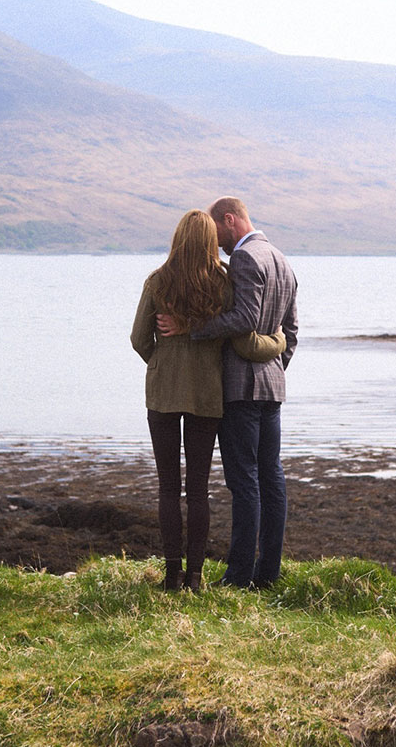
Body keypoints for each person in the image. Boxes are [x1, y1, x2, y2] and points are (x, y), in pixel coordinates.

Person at [130, 209, 286, 592]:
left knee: (168, 487)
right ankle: (196, 576)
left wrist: (162, 363)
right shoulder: (222, 282)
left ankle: (171, 576)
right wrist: (280, 341)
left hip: (163, 395)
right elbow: (240, 331)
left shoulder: (157, 280)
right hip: (207, 396)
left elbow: (138, 339)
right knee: (198, 488)